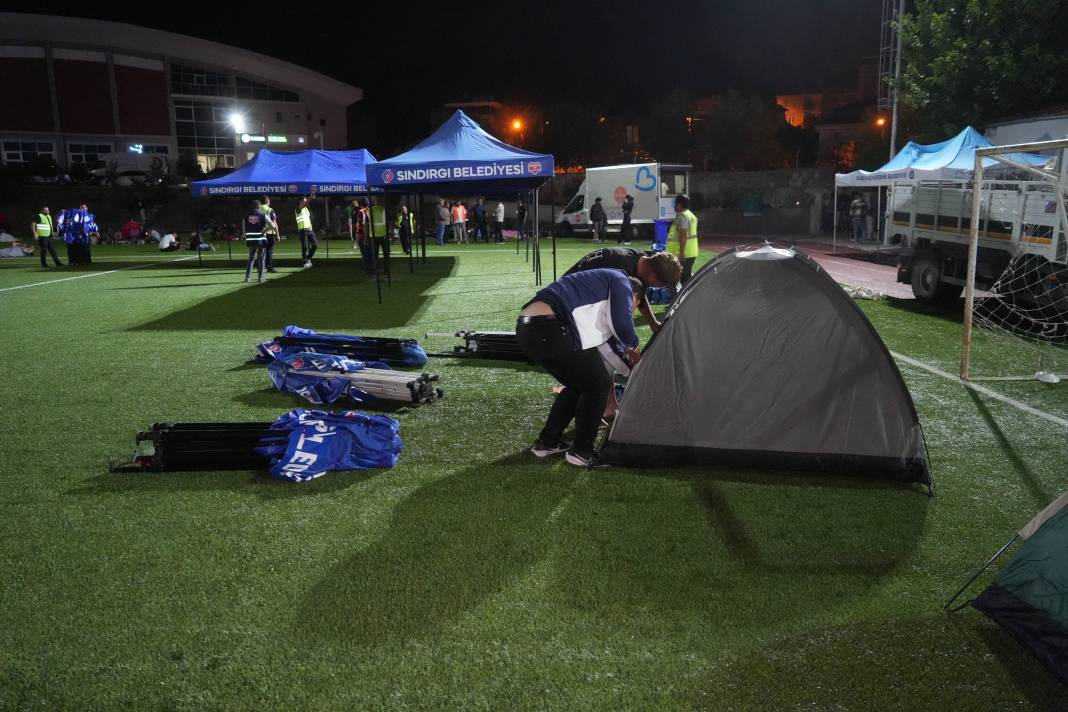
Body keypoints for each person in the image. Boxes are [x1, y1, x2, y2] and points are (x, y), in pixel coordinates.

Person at [516, 268, 644, 466]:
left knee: (579, 384)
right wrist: (633, 346)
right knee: (598, 384)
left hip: (527, 328)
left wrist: (635, 371)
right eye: (633, 307)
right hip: (551, 326)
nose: (631, 311)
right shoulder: (621, 281)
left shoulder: (596, 292)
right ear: (633, 295)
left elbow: (610, 348)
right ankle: (581, 451)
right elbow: (622, 324)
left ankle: (547, 442)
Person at [564, 246, 681, 333]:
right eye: (660, 285)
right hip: (566, 297)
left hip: (572, 290)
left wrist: (653, 322)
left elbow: (640, 294)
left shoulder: (642, 260)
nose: (657, 288)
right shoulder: (621, 270)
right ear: (652, 277)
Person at [669, 194, 699, 286]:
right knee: (685, 277)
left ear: (679, 205)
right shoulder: (691, 215)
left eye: (675, 204)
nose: (674, 206)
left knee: (683, 279)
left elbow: (683, 235)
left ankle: (686, 298)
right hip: (691, 251)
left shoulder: (683, 216)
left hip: (683, 253)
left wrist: (681, 253)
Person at [243, 199, 268, 282]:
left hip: (250, 238)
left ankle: (247, 277)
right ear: (259, 206)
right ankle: (261, 277)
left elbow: (244, 227)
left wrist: (245, 237)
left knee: (251, 257)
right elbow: (272, 224)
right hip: (260, 239)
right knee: (261, 257)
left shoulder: (246, 215)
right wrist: (266, 230)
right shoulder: (263, 215)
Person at [295, 196, 317, 267]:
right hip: (302, 230)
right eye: (304, 201)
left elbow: (308, 219)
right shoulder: (298, 209)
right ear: (300, 202)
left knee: (315, 245)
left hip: (309, 230)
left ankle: (308, 258)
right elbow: (304, 205)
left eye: (305, 201)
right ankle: (305, 262)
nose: (305, 202)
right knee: (305, 247)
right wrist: (310, 198)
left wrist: (311, 227)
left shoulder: (306, 209)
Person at [259, 196, 279, 273]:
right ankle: (269, 267)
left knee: (260, 251)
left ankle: (260, 267)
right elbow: (274, 222)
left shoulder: (258, 209)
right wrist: (277, 234)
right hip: (269, 232)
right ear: (268, 201)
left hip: (260, 232)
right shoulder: (270, 209)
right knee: (269, 251)